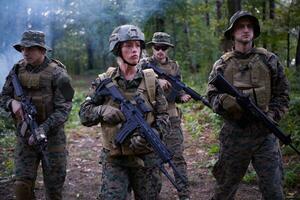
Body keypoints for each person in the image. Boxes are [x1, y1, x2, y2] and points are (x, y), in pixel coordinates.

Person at [79, 25, 170, 200]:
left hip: (146, 158)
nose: (135, 50)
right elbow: (84, 114)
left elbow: (164, 116)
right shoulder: (104, 81)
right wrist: (101, 110)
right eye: (128, 45)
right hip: (115, 159)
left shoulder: (151, 82)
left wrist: (153, 134)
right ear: (117, 49)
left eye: (137, 45)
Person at [207, 11, 290, 200]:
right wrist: (227, 103)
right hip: (234, 135)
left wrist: (272, 116)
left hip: (265, 135)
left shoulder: (269, 60)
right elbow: (211, 95)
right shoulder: (222, 65)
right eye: (240, 26)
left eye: (249, 26)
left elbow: (283, 94)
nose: (245, 30)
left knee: (274, 191)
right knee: (224, 190)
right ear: (233, 32)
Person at [0, 30, 74, 200]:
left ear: (42, 50)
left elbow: (65, 108)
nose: (25, 52)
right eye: (23, 48)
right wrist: (12, 103)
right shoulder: (17, 69)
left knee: (54, 190)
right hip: (25, 137)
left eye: (31, 48)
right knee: (21, 188)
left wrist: (43, 129)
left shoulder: (59, 74)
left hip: (53, 139)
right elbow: (4, 96)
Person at [141, 32, 191, 200]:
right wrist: (156, 79)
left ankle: (184, 194)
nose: (160, 51)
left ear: (168, 49)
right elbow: (135, 77)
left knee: (177, 157)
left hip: (171, 117)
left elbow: (177, 90)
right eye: (157, 48)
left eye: (164, 48)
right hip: (151, 118)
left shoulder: (174, 67)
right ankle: (152, 195)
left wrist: (182, 96)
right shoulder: (144, 64)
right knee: (152, 159)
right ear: (152, 48)